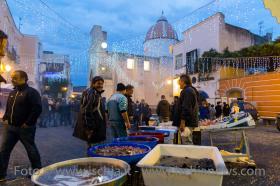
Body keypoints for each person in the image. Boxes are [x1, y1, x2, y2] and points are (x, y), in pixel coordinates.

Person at [0, 70, 42, 181]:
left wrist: (28, 123)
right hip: (10, 128)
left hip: (25, 129)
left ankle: (38, 172)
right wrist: (5, 118)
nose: (12, 80)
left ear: (23, 78)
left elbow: (37, 109)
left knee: (31, 150)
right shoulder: (13, 92)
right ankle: (1, 174)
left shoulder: (32, 92)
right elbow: (9, 108)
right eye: (12, 77)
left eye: (15, 78)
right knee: (4, 150)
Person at [73, 76, 107, 148]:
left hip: (96, 127)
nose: (100, 85)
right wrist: (89, 128)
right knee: (94, 150)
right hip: (94, 129)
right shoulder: (92, 93)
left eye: (101, 84)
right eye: (98, 83)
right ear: (93, 84)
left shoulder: (95, 93)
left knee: (94, 149)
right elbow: (86, 111)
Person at [174, 74, 199, 144]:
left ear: (183, 81)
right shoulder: (189, 90)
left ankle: (189, 155)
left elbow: (186, 107)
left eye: (179, 82)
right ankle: (187, 155)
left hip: (187, 123)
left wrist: (182, 122)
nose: (179, 84)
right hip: (187, 122)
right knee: (186, 142)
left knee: (187, 143)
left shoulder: (188, 91)